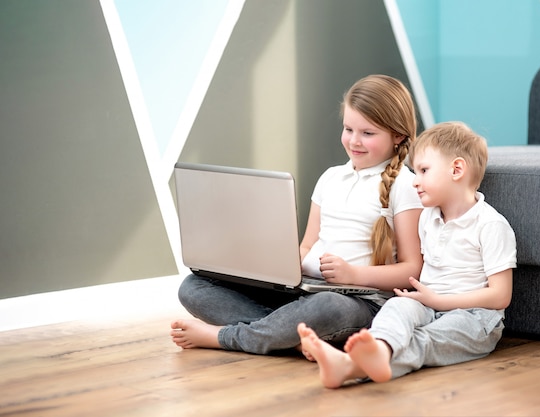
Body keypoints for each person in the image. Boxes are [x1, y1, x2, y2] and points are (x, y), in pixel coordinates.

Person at [170, 74, 423, 356]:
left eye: (368, 133)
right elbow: (307, 245)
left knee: (327, 307)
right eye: (348, 129)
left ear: (398, 135)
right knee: (194, 286)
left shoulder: (405, 185)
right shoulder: (330, 178)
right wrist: (280, 267)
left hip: (359, 303)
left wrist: (354, 274)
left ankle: (228, 337)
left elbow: (412, 270)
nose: (354, 141)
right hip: (305, 290)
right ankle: (293, 336)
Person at [298, 121, 517, 387]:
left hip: (474, 317)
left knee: (423, 340)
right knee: (397, 307)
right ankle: (371, 352)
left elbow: (500, 295)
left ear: (457, 169)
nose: (415, 181)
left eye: (424, 170)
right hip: (426, 304)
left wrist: (438, 300)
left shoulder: (491, 225)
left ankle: (349, 365)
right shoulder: (428, 219)